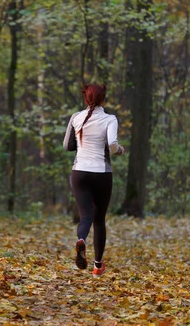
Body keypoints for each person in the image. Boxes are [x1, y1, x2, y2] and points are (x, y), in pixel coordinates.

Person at [63, 83, 125, 276]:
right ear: (103, 100)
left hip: (79, 172)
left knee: (86, 216)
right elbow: (113, 145)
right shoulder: (110, 119)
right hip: (101, 173)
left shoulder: (76, 118)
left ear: (85, 99)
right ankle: (98, 266)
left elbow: (67, 145)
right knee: (99, 219)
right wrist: (120, 150)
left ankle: (81, 239)